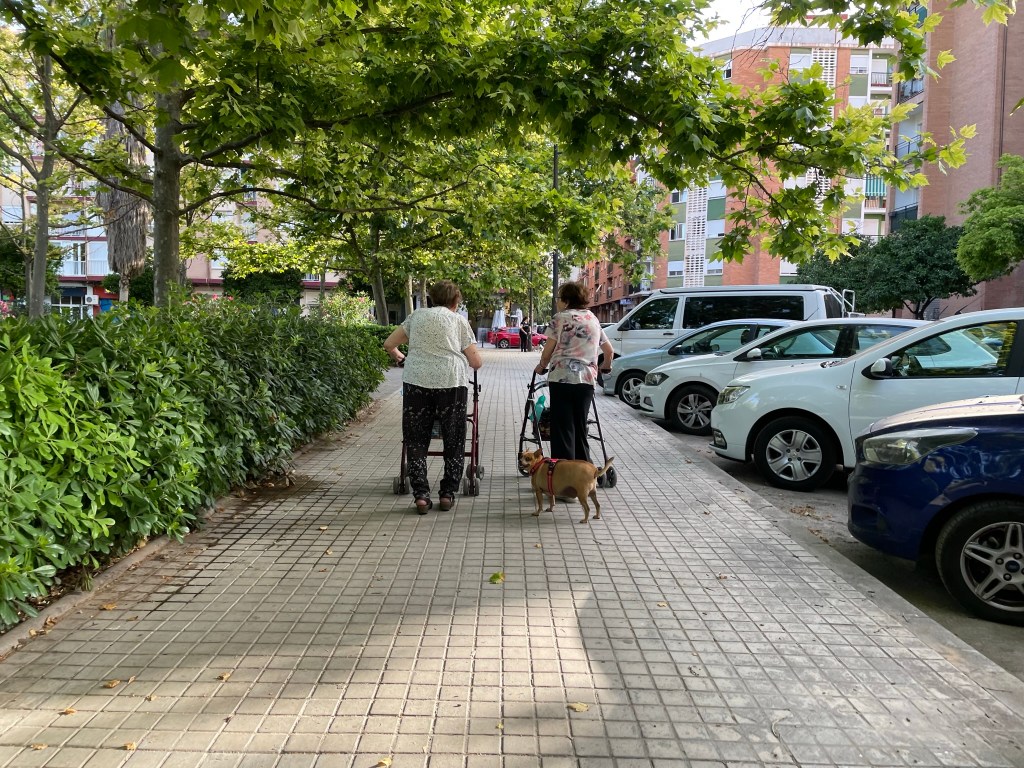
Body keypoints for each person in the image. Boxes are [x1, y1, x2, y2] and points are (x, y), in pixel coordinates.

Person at [384, 280, 483, 514]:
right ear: (455, 301)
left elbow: (389, 344)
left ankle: (421, 496)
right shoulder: (458, 321)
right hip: (451, 383)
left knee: (416, 439)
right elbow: (476, 362)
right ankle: (448, 493)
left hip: (416, 381)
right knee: (454, 438)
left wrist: (403, 358)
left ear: (431, 298)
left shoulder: (416, 316)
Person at [534, 281, 613, 463]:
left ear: (567, 300)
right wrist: (606, 366)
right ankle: (584, 472)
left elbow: (548, 350)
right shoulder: (593, 319)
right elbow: (609, 351)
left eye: (559, 299)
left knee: (562, 429)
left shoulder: (560, 318)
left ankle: (564, 476)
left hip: (561, 379)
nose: (557, 302)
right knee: (580, 427)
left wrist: (541, 366)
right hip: (586, 380)